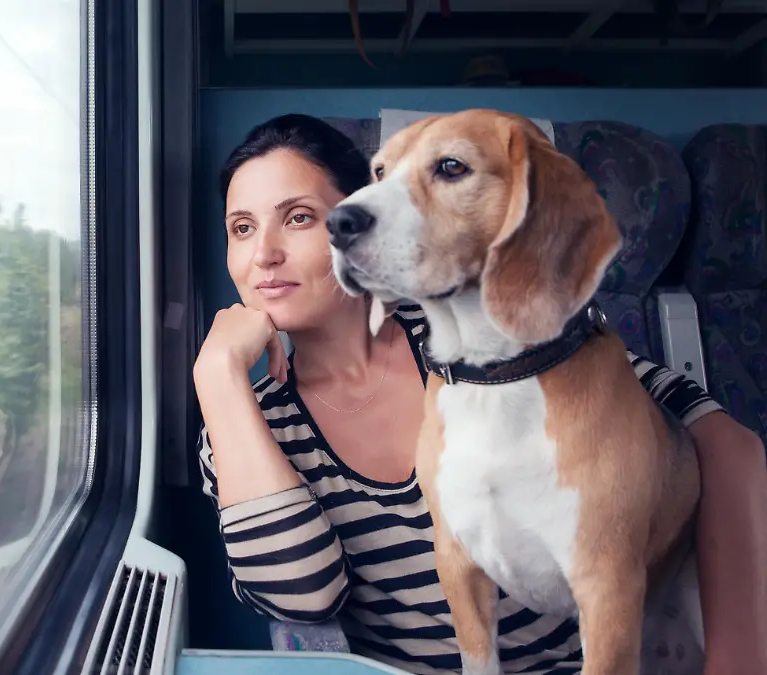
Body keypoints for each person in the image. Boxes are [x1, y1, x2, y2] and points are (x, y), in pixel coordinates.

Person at [193, 113, 767, 675]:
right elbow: (303, 597)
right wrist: (218, 376)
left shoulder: (471, 330)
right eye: (241, 229)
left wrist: (737, 660)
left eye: (298, 218)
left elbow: (722, 442)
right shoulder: (242, 424)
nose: (263, 254)